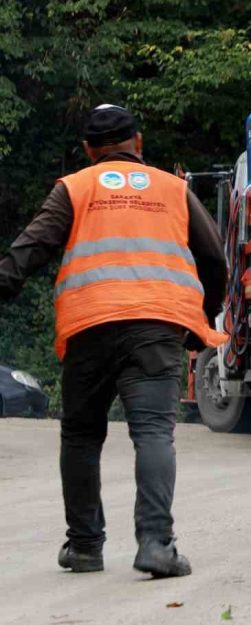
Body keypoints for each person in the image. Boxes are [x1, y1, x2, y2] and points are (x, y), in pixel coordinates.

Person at [0, 104, 228, 577]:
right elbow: (214, 258)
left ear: (87, 150)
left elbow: (30, 248)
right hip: (157, 326)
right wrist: (198, 320)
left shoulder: (75, 188)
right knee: (152, 434)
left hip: (90, 325)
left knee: (82, 435)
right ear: (138, 142)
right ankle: (155, 545)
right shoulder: (172, 188)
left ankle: (85, 547)